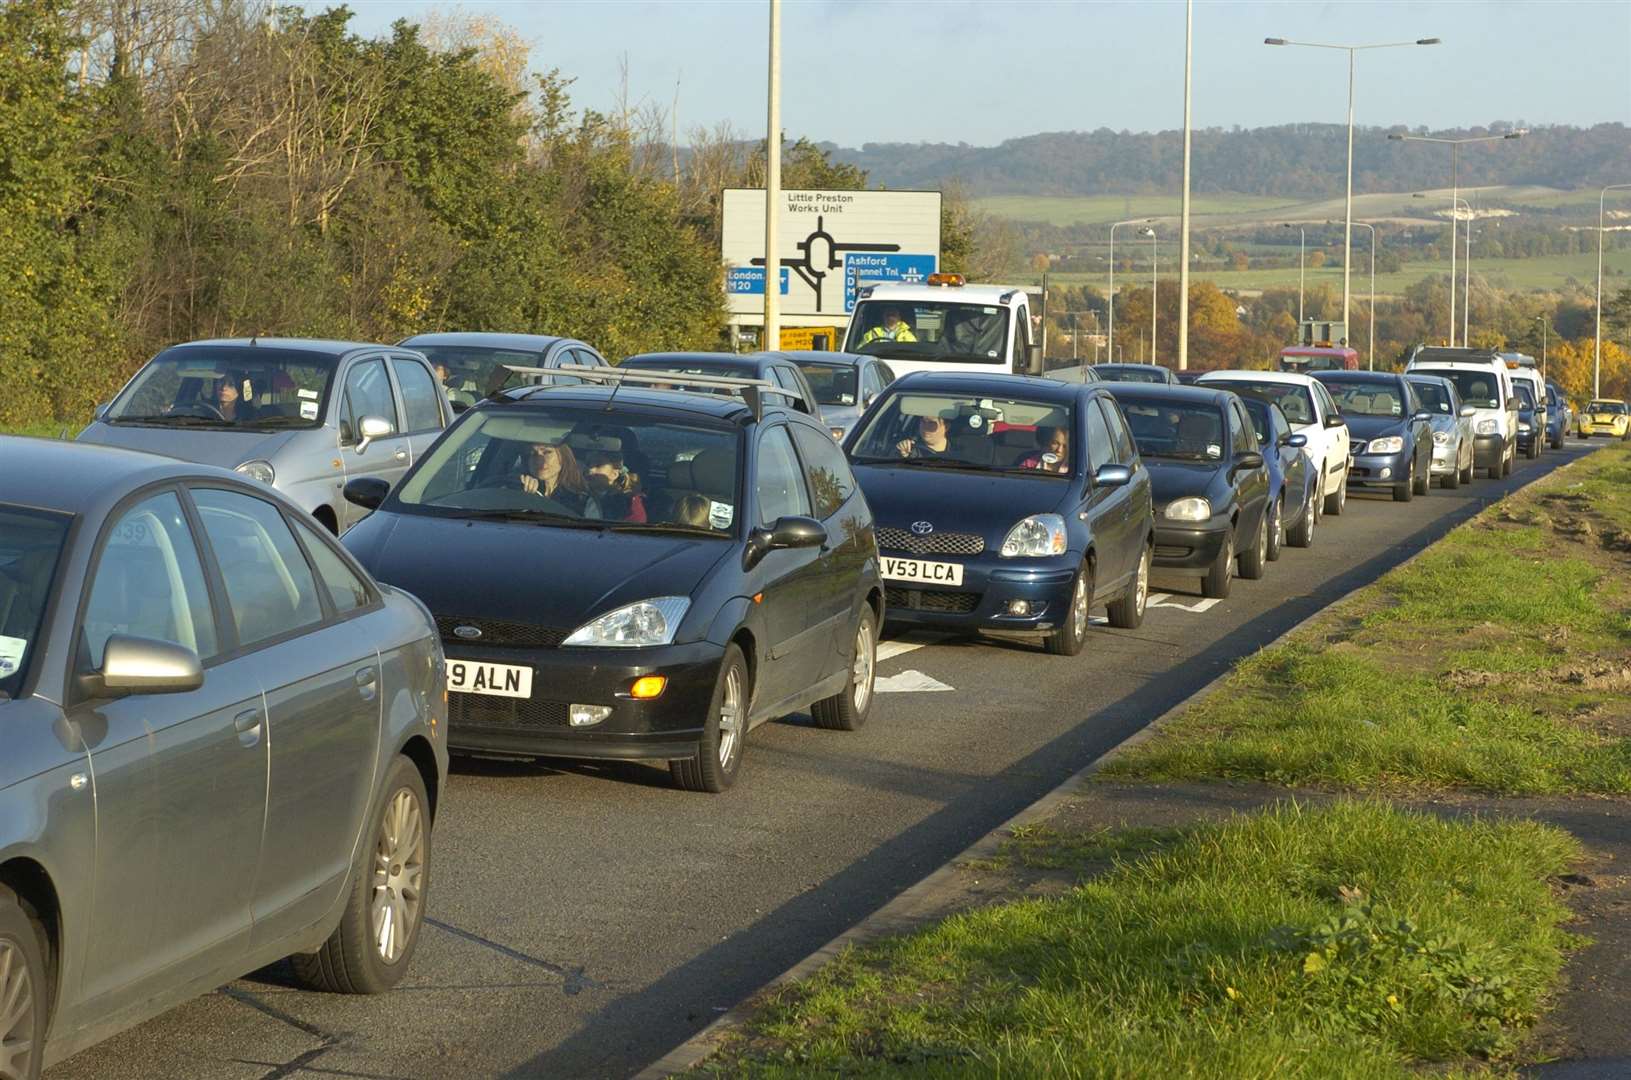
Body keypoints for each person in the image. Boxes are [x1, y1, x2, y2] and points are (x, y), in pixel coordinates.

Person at [518, 441, 597, 514]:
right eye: (533, 453)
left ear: (563, 457)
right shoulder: (515, 491)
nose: (539, 460)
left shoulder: (582, 501)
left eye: (547, 452)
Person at [584, 449, 647, 522]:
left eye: (598, 465)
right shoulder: (579, 495)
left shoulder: (626, 505)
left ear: (614, 474)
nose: (590, 469)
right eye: (588, 464)